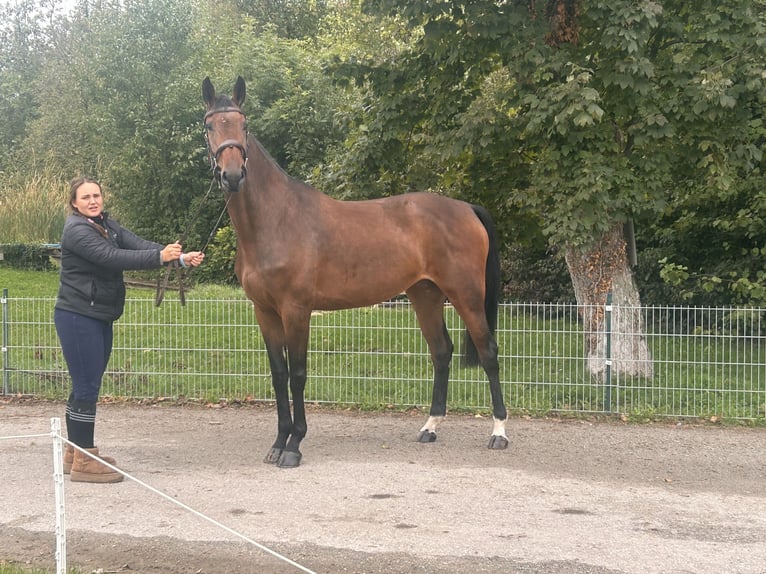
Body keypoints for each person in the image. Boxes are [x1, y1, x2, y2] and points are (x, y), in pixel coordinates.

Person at [54, 177, 205, 483]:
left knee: (86, 383)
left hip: (96, 315)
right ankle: (84, 459)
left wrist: (178, 258)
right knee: (86, 388)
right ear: (74, 203)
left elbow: (136, 244)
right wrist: (158, 257)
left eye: (97, 195)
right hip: (78, 316)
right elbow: (112, 258)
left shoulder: (106, 224)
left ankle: (75, 452)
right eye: (86, 197)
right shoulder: (77, 230)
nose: (93, 200)